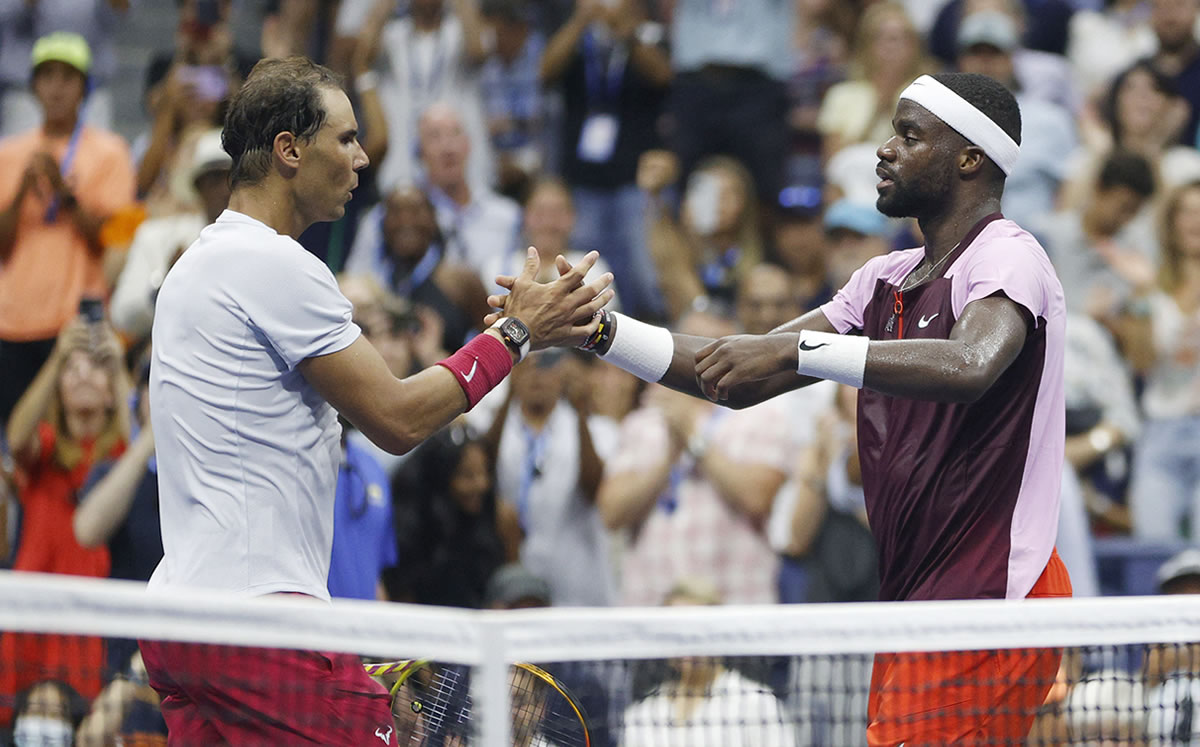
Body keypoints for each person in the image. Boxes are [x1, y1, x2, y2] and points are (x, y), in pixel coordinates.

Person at [494, 71, 1073, 744]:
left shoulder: (1008, 254)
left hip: (994, 591)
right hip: (918, 596)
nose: (884, 150)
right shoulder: (882, 278)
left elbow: (972, 364)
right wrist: (597, 330)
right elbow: (734, 374)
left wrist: (803, 352)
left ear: (971, 157)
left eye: (908, 136)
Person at [138, 56, 611, 745]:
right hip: (256, 620)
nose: (363, 157)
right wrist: (518, 334)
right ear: (289, 149)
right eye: (346, 138)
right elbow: (396, 417)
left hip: (179, 626)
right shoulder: (275, 264)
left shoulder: (196, 267)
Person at [0, 32, 136, 428]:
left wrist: (63, 191)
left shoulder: (111, 151)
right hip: (12, 320)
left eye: (67, 77)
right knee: (15, 443)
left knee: (77, 439)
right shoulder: (8, 153)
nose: (56, 87)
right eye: (47, 76)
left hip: (77, 321)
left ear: (85, 87)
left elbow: (111, 239)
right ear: (34, 87)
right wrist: (23, 189)